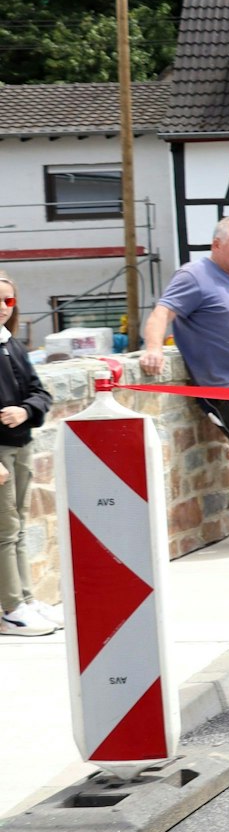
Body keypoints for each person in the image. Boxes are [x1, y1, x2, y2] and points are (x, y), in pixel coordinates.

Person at [140, 217, 229, 541]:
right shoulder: (195, 275)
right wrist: (153, 349)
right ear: (216, 245)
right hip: (227, 387)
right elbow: (162, 313)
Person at [0, 270, 58, 637]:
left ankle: (24, 597)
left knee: (19, 528)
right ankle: (11, 609)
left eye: (8, 300)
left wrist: (24, 410)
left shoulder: (11, 344)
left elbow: (40, 393)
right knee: (5, 531)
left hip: (20, 446)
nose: (3, 308)